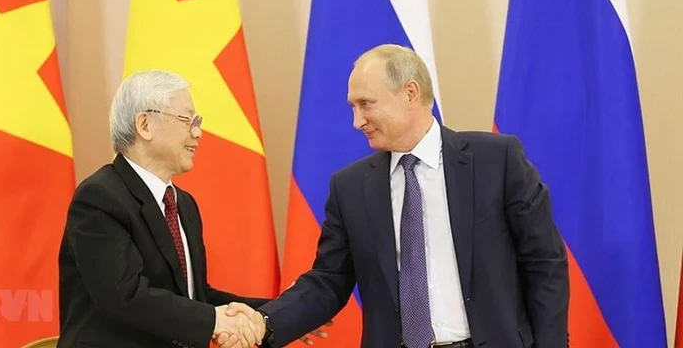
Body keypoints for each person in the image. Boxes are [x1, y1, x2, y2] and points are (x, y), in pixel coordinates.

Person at [227, 44, 569, 348]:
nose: (357, 121)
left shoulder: (496, 160)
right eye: (353, 107)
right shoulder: (350, 187)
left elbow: (544, 263)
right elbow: (328, 281)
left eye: (365, 104)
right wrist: (264, 321)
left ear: (410, 93)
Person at [57, 70, 268, 348]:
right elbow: (124, 296)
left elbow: (194, 297)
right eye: (187, 120)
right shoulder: (99, 197)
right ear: (145, 124)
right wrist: (215, 321)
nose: (198, 132)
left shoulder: (184, 204)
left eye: (197, 121)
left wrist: (273, 315)